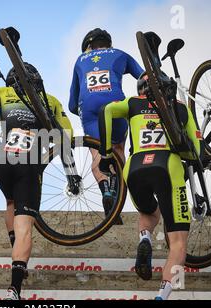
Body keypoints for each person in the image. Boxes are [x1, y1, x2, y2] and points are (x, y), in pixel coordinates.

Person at [0, 63, 73, 300]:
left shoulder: (4, 92)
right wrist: (47, 152)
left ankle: (14, 242)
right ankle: (14, 290)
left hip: (1, 159)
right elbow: (67, 136)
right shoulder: (49, 99)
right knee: (25, 222)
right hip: (28, 163)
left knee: (10, 201)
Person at [98, 73, 202, 300]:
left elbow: (105, 110)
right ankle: (164, 296)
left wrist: (106, 153)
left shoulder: (133, 102)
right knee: (178, 243)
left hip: (134, 168)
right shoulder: (179, 106)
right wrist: (197, 158)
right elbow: (197, 143)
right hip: (167, 167)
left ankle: (145, 238)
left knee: (150, 211)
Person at [69, 28, 144, 215]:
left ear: (88, 47)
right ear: (109, 44)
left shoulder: (80, 60)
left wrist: (88, 115)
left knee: (98, 154)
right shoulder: (120, 54)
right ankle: (118, 197)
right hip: (115, 103)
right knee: (118, 150)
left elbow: (72, 104)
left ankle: (106, 191)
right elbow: (145, 78)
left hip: (90, 108)